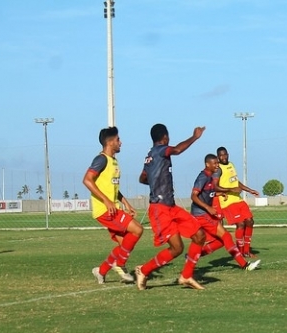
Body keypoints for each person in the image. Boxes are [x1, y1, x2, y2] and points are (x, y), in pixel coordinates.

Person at [134, 123, 207, 290]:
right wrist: (195, 137)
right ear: (165, 137)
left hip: (171, 207)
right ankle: (143, 270)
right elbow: (177, 150)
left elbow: (142, 178)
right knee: (177, 248)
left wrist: (157, 180)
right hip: (160, 209)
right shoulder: (161, 150)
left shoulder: (150, 156)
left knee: (199, 235)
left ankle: (186, 276)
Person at [82, 126, 141, 284]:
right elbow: (87, 180)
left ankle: (101, 271)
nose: (120, 142)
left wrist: (126, 203)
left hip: (113, 208)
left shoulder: (113, 161)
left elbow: (112, 188)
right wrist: (106, 201)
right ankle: (120, 265)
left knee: (124, 244)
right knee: (137, 229)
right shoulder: (101, 159)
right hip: (105, 210)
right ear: (109, 142)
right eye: (118, 139)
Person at [190, 153, 261, 271]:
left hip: (205, 214)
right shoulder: (203, 177)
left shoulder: (210, 177)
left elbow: (208, 192)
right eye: (214, 163)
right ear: (207, 164)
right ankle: (244, 265)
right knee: (226, 236)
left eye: (217, 163)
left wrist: (220, 193)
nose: (217, 165)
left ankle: (193, 256)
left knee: (220, 241)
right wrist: (208, 208)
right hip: (200, 214)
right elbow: (193, 196)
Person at [214, 146, 260, 257]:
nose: (224, 157)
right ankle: (240, 251)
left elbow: (236, 182)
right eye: (221, 155)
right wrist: (231, 190)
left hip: (238, 199)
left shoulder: (231, 165)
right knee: (240, 224)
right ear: (218, 157)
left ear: (228, 154)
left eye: (225, 154)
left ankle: (246, 251)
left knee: (250, 221)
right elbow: (215, 186)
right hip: (227, 202)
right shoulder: (218, 169)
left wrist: (250, 190)